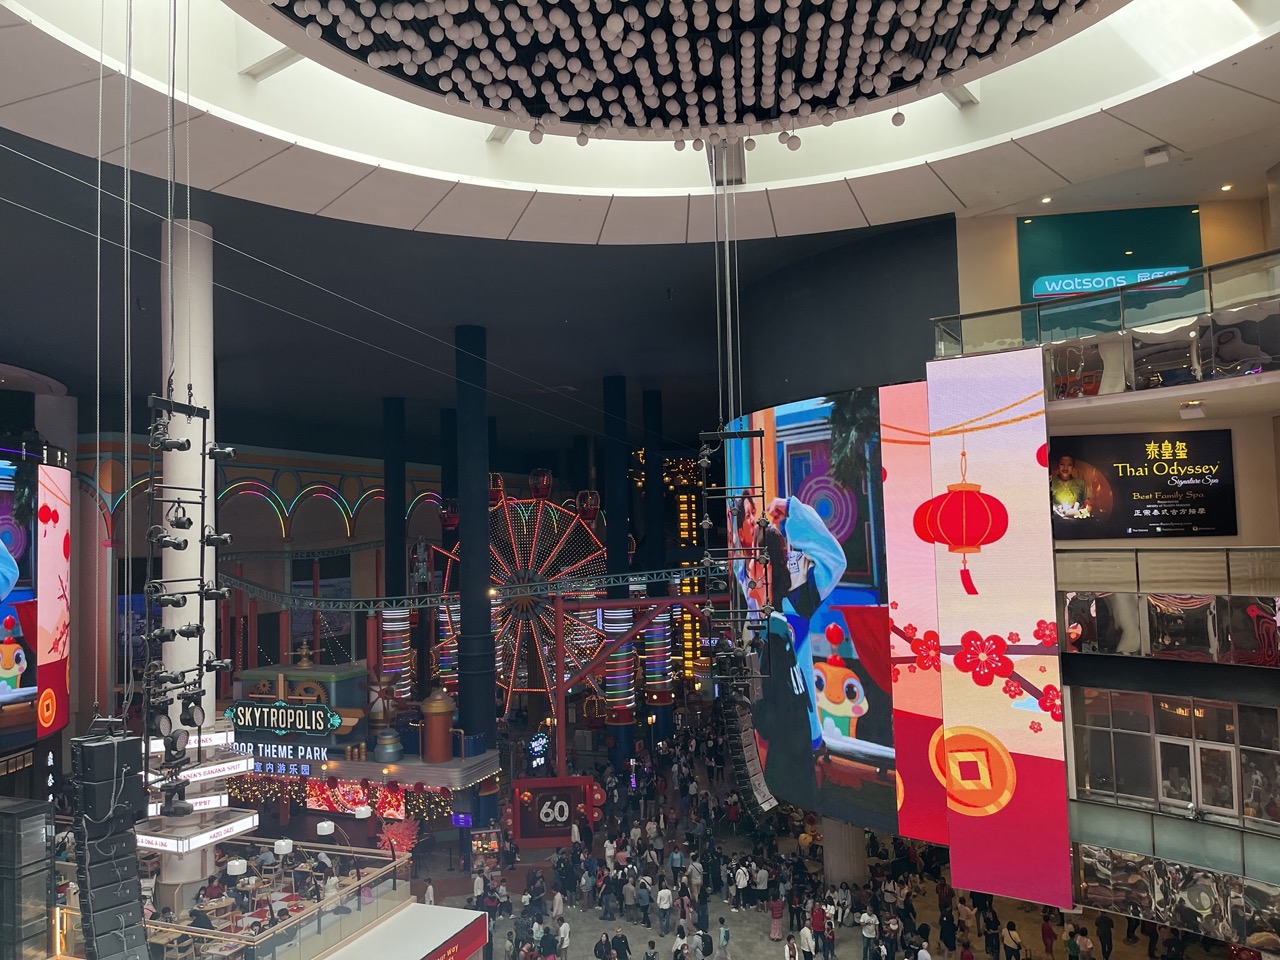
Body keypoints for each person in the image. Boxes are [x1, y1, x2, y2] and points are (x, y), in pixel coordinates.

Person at [1049, 455, 1091, 519]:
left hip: (1077, 520)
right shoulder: (1050, 484)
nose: (1065, 468)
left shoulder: (1080, 483)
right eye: (1062, 464)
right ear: (1058, 466)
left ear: (1073, 467)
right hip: (1057, 521)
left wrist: (1084, 511)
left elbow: (1088, 505)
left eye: (1069, 465)